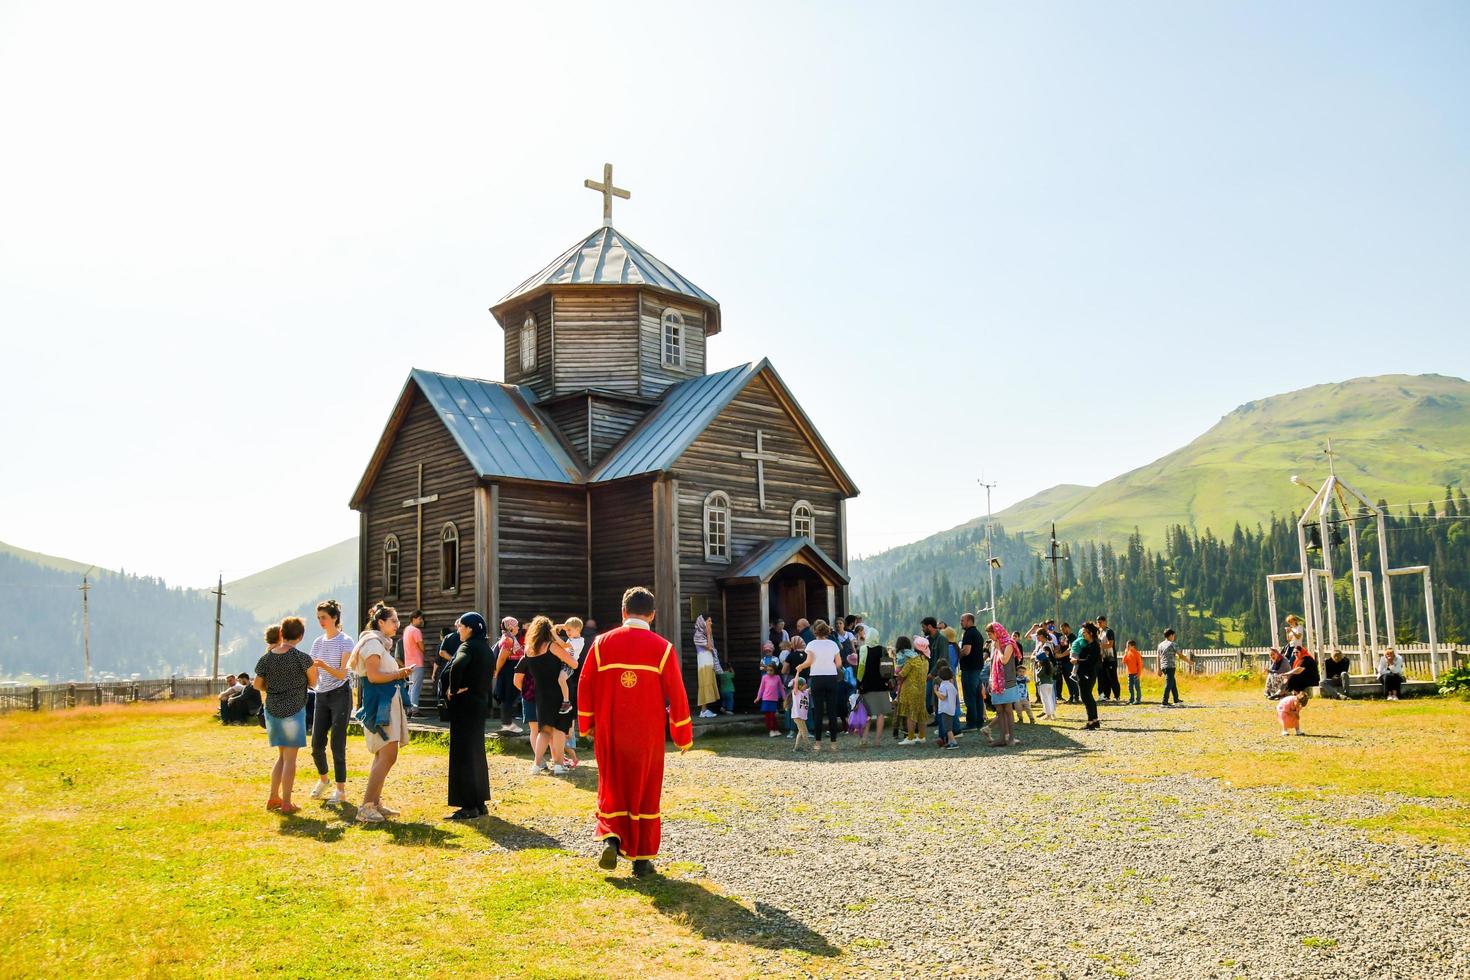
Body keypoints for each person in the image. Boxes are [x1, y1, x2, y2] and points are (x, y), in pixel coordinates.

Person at [577, 586, 693, 878]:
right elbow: (677, 693)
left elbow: (585, 685)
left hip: (610, 730)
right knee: (644, 791)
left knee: (612, 785)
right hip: (647, 735)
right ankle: (641, 860)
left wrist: (587, 723)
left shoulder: (601, 644)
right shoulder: (663, 648)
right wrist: (682, 733)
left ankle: (612, 839)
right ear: (652, 615)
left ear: (623, 612)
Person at [350, 603, 412, 824]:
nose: (397, 625)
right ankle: (367, 806)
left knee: (384, 754)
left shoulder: (380, 644)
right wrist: (399, 673)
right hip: (379, 705)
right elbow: (374, 676)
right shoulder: (372, 644)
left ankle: (374, 802)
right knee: (387, 755)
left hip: (387, 702)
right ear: (381, 622)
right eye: (393, 621)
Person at [254, 617, 319, 815]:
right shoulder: (302, 658)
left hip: (272, 710)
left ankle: (274, 796)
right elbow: (313, 682)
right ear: (300, 636)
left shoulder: (266, 658)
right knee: (290, 759)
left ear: (281, 633)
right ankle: (287, 802)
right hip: (293, 711)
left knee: (281, 757)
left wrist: (273, 688)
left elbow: (257, 684)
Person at [444, 612, 494, 820]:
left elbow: (457, 664)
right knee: (476, 753)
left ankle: (468, 806)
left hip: (464, 705)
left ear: (470, 629)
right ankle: (480, 803)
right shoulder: (486, 649)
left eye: (461, 627)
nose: (458, 630)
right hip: (480, 704)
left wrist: (453, 689)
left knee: (462, 755)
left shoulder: (467, 647)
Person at [306, 599, 356, 805]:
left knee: (337, 743)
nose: (321, 622)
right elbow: (312, 672)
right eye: (318, 618)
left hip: (341, 694)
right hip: (321, 695)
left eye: (324, 617)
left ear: (334, 618)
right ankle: (324, 780)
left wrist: (323, 665)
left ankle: (341, 791)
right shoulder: (317, 642)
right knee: (316, 744)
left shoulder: (346, 641)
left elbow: (343, 673)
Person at [517, 616, 579, 775]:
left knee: (544, 730)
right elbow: (574, 663)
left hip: (541, 694)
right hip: (558, 692)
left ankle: (536, 765)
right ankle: (558, 765)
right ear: (548, 630)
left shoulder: (528, 650)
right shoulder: (551, 646)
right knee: (559, 729)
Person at [794, 620, 845, 753]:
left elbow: (809, 661)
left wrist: (801, 666)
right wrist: (829, 667)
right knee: (832, 712)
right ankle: (833, 744)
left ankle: (818, 743)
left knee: (818, 712)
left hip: (817, 678)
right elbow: (839, 663)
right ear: (827, 631)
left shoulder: (811, 644)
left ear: (815, 631)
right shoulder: (833, 644)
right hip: (831, 678)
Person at [985, 622, 1024, 745]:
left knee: (1007, 709)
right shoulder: (995, 644)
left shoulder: (1009, 644)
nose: (989, 637)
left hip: (1008, 681)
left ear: (997, 632)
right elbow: (992, 664)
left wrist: (997, 649)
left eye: (990, 634)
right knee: (999, 710)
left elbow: (1004, 660)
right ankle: (1002, 738)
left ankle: (1011, 738)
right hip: (996, 682)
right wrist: (991, 680)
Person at [856, 637, 891, 746]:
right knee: (880, 714)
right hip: (881, 686)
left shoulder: (862, 650)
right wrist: (886, 682)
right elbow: (887, 670)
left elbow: (859, 669)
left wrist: (859, 685)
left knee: (867, 713)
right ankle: (877, 740)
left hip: (866, 686)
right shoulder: (883, 650)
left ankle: (864, 739)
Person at [491, 617, 524, 734]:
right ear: (510, 627)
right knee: (508, 696)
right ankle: (507, 723)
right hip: (509, 670)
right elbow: (502, 657)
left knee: (508, 696)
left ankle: (507, 723)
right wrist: (497, 671)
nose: (518, 628)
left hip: (509, 670)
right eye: (516, 625)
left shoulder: (508, 638)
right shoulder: (508, 639)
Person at [896, 636, 931, 745]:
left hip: (910, 690)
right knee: (921, 713)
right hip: (921, 690)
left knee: (910, 714)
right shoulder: (925, 661)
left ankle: (910, 738)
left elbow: (902, 674)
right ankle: (921, 736)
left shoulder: (912, 661)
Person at [958, 613, 987, 732]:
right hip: (977, 668)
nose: (961, 622)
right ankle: (979, 721)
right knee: (977, 696)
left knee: (969, 697)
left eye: (962, 620)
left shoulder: (969, 633)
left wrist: (957, 654)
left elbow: (966, 651)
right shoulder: (978, 633)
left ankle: (971, 723)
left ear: (969, 621)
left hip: (969, 669)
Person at [1071, 622, 1102, 730]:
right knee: (1088, 697)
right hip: (1084, 674)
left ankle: (1090, 722)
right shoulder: (1087, 644)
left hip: (1088, 674)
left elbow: (1090, 661)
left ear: (1091, 633)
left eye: (1084, 632)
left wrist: (1077, 661)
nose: (1083, 634)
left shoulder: (1094, 646)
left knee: (1086, 697)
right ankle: (1095, 720)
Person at [554, 618, 586, 715]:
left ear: (577, 629)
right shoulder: (574, 634)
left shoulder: (578, 641)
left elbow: (563, 645)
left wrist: (554, 633)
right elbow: (566, 626)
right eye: (566, 630)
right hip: (564, 661)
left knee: (561, 679)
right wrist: (560, 626)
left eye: (569, 630)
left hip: (569, 664)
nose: (567, 632)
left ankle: (566, 702)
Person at [693, 612, 721, 718]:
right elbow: (709, 646)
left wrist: (709, 634)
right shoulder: (698, 634)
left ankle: (704, 710)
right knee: (704, 684)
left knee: (707, 683)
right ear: (703, 622)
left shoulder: (704, 634)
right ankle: (703, 711)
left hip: (708, 662)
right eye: (708, 621)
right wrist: (709, 633)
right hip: (704, 663)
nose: (711, 623)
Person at [401, 610, 426, 717]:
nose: (421, 621)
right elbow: (422, 647)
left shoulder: (407, 630)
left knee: (411, 687)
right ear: (414, 619)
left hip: (408, 663)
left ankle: (409, 709)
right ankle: (414, 709)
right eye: (420, 618)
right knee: (416, 687)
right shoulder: (416, 631)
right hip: (417, 662)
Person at [756, 661, 785, 736]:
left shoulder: (777, 677)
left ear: (775, 670)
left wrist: (784, 698)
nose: (769, 672)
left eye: (771, 670)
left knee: (773, 715)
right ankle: (771, 730)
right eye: (768, 670)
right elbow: (761, 688)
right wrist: (758, 697)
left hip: (774, 699)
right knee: (768, 715)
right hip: (765, 699)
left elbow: (781, 688)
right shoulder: (764, 677)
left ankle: (776, 729)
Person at [934, 666, 960, 749]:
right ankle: (949, 742)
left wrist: (936, 691)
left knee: (947, 728)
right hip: (951, 709)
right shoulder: (951, 685)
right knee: (949, 726)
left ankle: (953, 742)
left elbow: (942, 697)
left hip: (945, 709)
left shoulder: (943, 686)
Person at [1096, 615, 1119, 703]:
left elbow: (1110, 644)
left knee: (1112, 677)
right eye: (1098, 622)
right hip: (1103, 658)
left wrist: (1099, 646)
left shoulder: (1109, 631)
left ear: (1105, 622)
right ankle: (1106, 695)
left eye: (1100, 622)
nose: (1099, 624)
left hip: (1111, 657)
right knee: (1104, 677)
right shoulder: (1100, 632)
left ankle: (1117, 695)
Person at [1156, 628, 1182, 706]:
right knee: (1169, 683)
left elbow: (1158, 657)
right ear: (1170, 635)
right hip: (1170, 666)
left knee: (1172, 682)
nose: (1174, 637)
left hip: (1163, 666)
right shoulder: (1172, 644)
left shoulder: (1160, 645)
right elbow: (1180, 655)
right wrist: (1189, 661)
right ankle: (1164, 702)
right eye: (1174, 635)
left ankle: (1176, 699)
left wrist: (1159, 669)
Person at [790, 676, 812, 751]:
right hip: (797, 716)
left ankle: (795, 748)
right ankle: (807, 747)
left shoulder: (805, 692)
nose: (806, 685)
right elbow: (795, 682)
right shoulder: (796, 692)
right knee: (804, 731)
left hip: (802, 716)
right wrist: (798, 672)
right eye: (804, 684)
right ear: (799, 686)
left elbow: (812, 688)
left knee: (801, 732)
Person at [1122, 639, 1144, 705]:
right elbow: (1123, 661)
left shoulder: (1137, 654)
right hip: (1130, 673)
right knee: (1130, 687)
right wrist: (1125, 654)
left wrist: (1139, 673)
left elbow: (1140, 665)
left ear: (1133, 646)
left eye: (1128, 646)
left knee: (1137, 687)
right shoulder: (1128, 653)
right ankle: (1131, 699)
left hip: (1136, 673)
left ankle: (1138, 700)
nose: (1127, 647)